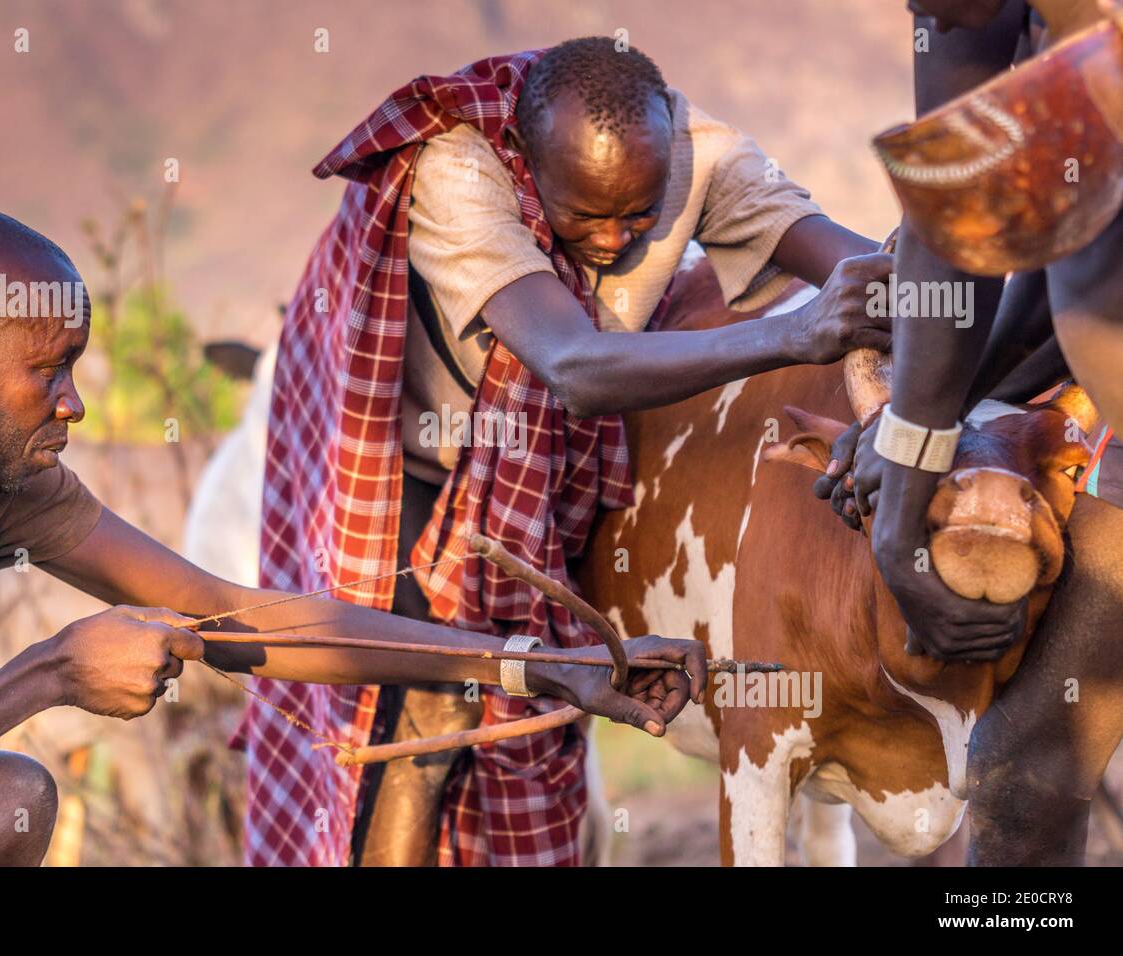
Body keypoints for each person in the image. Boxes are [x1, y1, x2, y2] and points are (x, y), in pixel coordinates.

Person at [0, 204, 707, 867]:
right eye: (46, 372)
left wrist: (535, 663)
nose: (75, 404)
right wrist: (47, 672)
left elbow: (231, 615)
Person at [257, 35, 895, 866]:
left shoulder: (699, 157)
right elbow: (574, 368)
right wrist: (799, 333)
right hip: (407, 460)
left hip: (542, 469)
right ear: (527, 162)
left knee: (538, 711)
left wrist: (907, 303)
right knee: (421, 713)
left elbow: (858, 270)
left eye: (641, 212)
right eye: (585, 215)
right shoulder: (460, 172)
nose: (617, 239)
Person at [820, 0, 1123, 864]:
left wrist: (915, 440)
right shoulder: (994, 24)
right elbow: (972, 229)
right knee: (1026, 772)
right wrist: (909, 438)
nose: (916, 10)